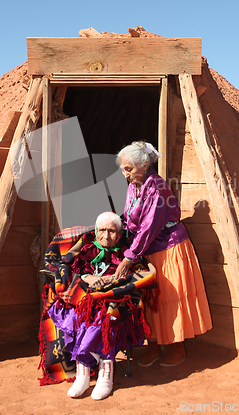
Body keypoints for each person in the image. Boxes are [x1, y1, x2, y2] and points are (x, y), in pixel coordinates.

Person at [114, 140, 212, 367]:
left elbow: (150, 225)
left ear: (144, 164)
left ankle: (178, 348)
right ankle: (154, 347)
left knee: (170, 298)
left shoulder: (157, 188)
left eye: (129, 169)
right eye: (123, 169)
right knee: (150, 300)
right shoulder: (133, 187)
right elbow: (131, 219)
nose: (125, 174)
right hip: (146, 249)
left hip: (168, 248)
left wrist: (130, 256)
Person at [47, 211, 152, 400]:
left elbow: (138, 275)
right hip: (89, 295)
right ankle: (83, 374)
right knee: (77, 313)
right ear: (96, 231)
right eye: (102, 230)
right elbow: (76, 269)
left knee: (104, 317)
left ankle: (106, 373)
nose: (106, 235)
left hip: (115, 297)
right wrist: (89, 278)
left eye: (111, 231)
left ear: (119, 233)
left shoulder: (126, 252)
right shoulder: (87, 248)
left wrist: (111, 280)